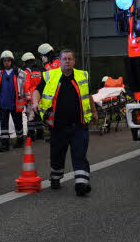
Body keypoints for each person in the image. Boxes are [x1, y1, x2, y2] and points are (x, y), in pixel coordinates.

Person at [30, 49, 97, 197]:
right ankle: (55, 176)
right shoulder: (50, 76)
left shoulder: (81, 76)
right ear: (59, 61)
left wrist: (94, 112)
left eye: (70, 59)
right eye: (64, 59)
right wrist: (35, 102)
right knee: (57, 154)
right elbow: (37, 91)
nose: (67, 61)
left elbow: (89, 95)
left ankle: (81, 184)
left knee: (79, 154)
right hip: (58, 126)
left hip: (79, 125)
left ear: (74, 61)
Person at [0, 50, 27, 150]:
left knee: (18, 124)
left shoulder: (18, 72)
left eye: (8, 60)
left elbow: (25, 79)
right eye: (4, 61)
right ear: (2, 62)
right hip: (3, 103)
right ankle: (5, 145)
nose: (6, 62)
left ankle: (20, 141)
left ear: (12, 61)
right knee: (3, 126)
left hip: (15, 103)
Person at [21, 52, 45, 141]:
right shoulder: (39, 71)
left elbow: (26, 86)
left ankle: (31, 135)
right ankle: (40, 133)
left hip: (31, 97)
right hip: (39, 97)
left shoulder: (27, 72)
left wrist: (27, 99)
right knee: (38, 116)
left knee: (31, 117)